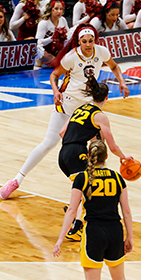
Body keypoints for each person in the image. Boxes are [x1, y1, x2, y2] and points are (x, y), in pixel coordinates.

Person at [0, 24, 130, 200]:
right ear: (79, 41)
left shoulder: (102, 52)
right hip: (66, 105)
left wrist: (121, 81)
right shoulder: (71, 57)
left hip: (86, 107)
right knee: (49, 143)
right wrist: (56, 92)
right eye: (84, 41)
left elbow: (114, 66)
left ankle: (96, 186)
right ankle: (16, 180)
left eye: (91, 41)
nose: (88, 44)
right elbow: (54, 75)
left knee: (98, 145)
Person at [53, 140, 137, 280]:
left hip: (93, 233)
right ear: (107, 157)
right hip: (115, 231)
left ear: (88, 157)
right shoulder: (117, 178)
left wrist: (60, 239)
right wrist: (129, 236)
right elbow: (127, 211)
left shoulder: (82, 178)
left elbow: (72, 210)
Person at [58, 77, 132, 240]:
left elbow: (62, 132)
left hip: (63, 153)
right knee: (87, 190)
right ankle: (77, 227)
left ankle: (75, 212)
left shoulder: (81, 108)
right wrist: (123, 157)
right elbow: (111, 147)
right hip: (78, 152)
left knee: (82, 189)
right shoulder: (100, 116)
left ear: (92, 96)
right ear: (107, 97)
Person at [35, 0, 69, 67]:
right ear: (51, 10)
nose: (59, 11)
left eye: (61, 9)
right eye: (56, 9)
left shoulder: (63, 20)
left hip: (58, 51)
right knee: (55, 62)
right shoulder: (44, 23)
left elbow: (68, 36)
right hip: (45, 51)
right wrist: (52, 38)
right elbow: (38, 42)